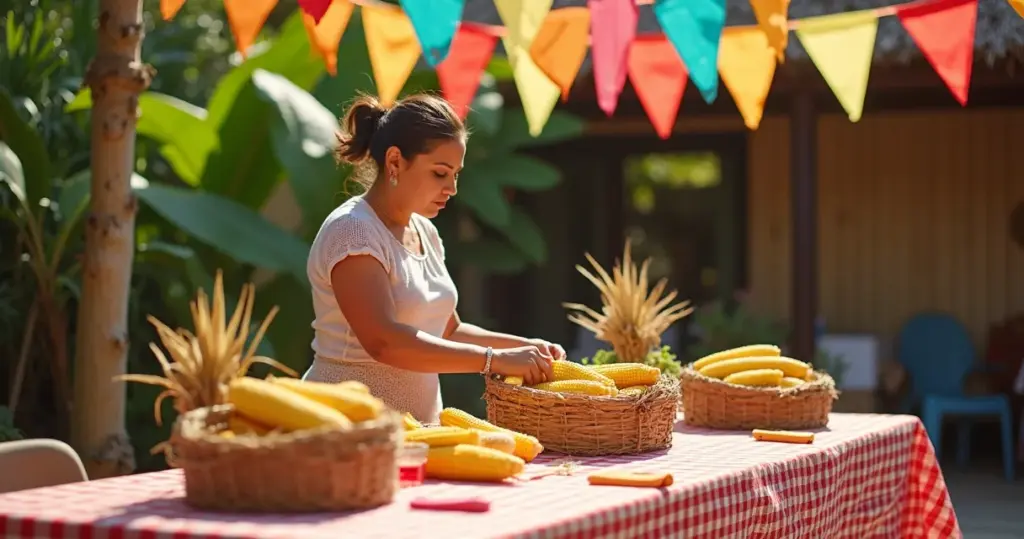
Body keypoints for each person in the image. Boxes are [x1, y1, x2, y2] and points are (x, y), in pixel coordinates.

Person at [302, 93, 565, 424]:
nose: (452, 188)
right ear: (395, 162)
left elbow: (446, 331)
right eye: (440, 173)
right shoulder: (353, 232)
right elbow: (384, 342)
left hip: (417, 435)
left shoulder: (424, 231)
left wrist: (526, 347)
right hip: (345, 434)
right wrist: (493, 360)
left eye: (455, 174)